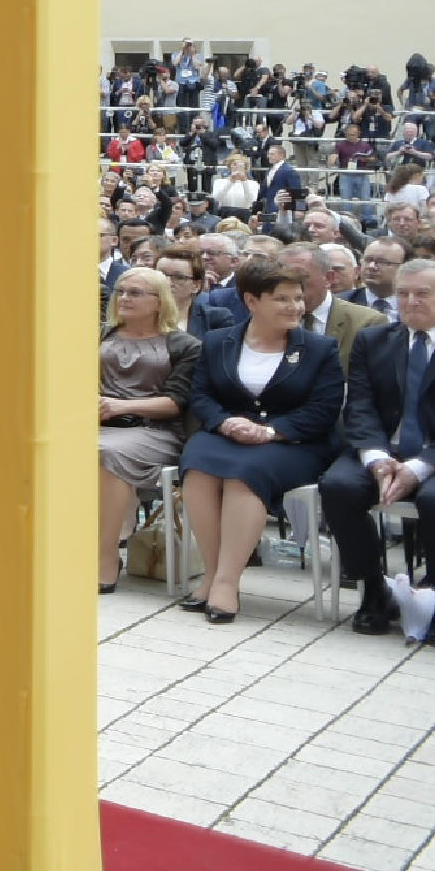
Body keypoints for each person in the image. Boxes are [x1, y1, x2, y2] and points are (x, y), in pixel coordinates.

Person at [318, 258, 435, 646]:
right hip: (384, 450)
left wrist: (422, 466)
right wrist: (375, 457)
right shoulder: (374, 341)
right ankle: (374, 589)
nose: (411, 302)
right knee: (338, 486)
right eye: (403, 294)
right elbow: (360, 406)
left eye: (423, 293)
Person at [176, 257, 345, 624]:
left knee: (245, 473)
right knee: (198, 466)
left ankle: (227, 582)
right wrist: (225, 423)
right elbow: (201, 396)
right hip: (227, 434)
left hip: (294, 443)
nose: (295, 307)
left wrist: (271, 431)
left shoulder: (319, 348)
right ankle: (212, 574)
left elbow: (324, 409)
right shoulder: (218, 341)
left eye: (297, 298)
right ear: (251, 301)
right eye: (282, 299)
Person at [94, 266, 198, 591]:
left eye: (135, 293)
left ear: (159, 301)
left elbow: (176, 402)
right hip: (99, 423)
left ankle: (105, 556)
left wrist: (121, 406)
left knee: (105, 451)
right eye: (121, 292)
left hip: (156, 429)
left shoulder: (183, 345)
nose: (124, 298)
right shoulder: (102, 335)